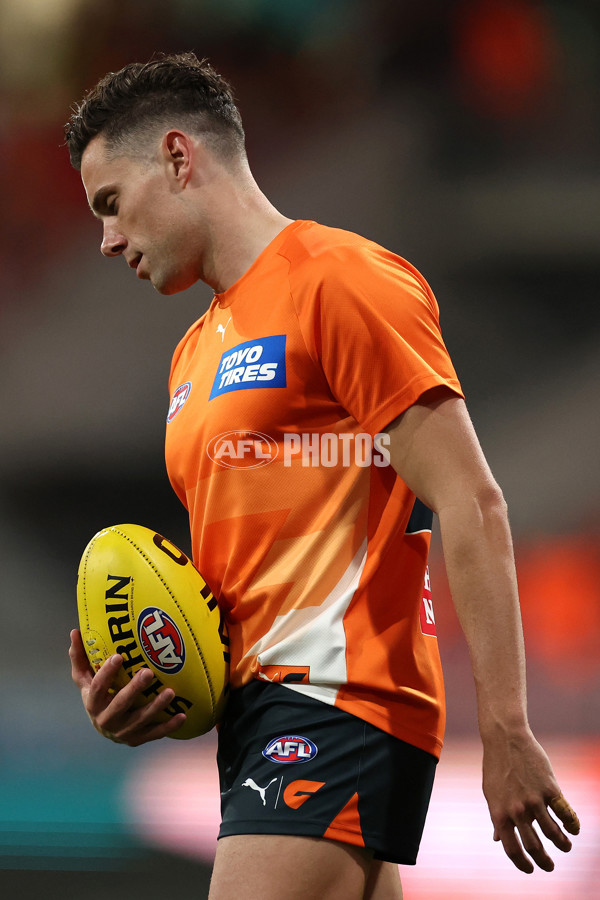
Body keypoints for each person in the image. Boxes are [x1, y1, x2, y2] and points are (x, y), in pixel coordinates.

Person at [65, 52, 580, 900]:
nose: (108, 238)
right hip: (260, 723)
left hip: (339, 702)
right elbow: (232, 596)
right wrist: (152, 678)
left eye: (112, 204)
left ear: (177, 157)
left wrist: (508, 729)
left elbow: (471, 499)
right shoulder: (194, 355)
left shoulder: (339, 281)